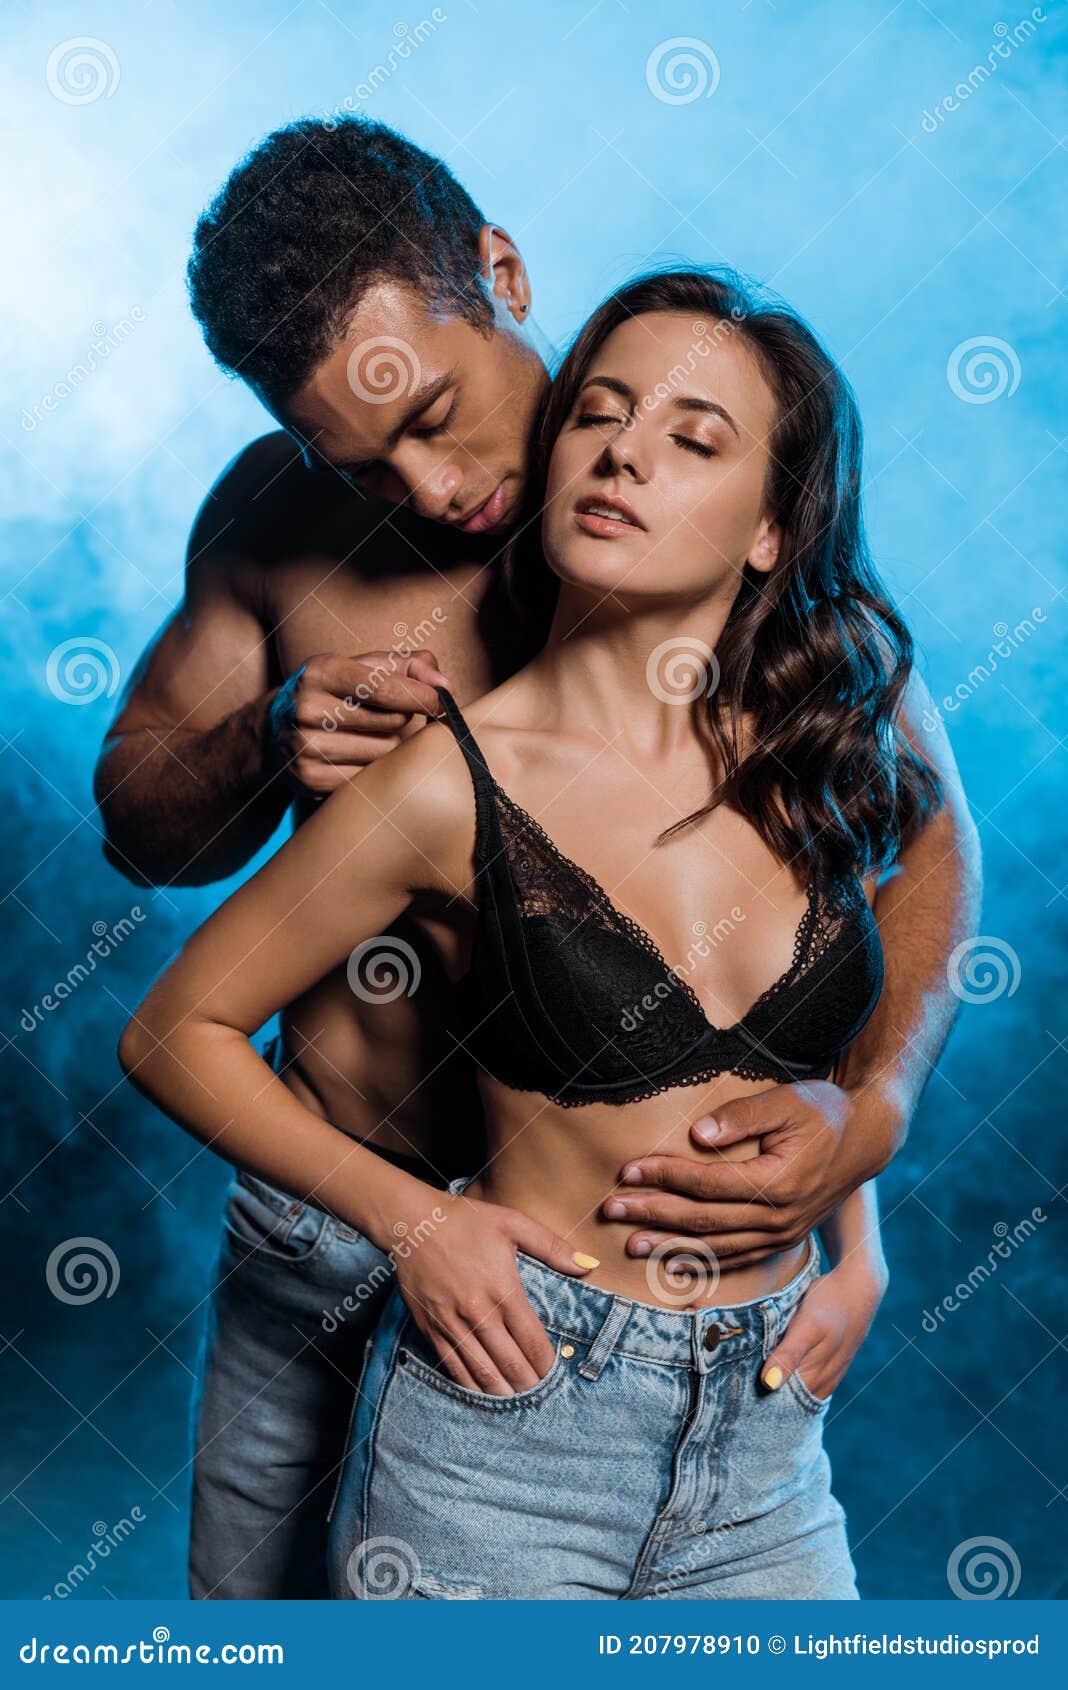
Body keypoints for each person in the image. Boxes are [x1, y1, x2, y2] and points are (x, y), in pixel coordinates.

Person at [97, 119, 980, 1598]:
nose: (433, 489)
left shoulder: (694, 477)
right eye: (364, 458)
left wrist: (868, 1127)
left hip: (613, 1273)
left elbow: (907, 848)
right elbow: (136, 823)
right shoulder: (279, 523)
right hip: (340, 1211)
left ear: (499, 269)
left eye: (437, 413)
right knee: (255, 1632)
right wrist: (266, 735)